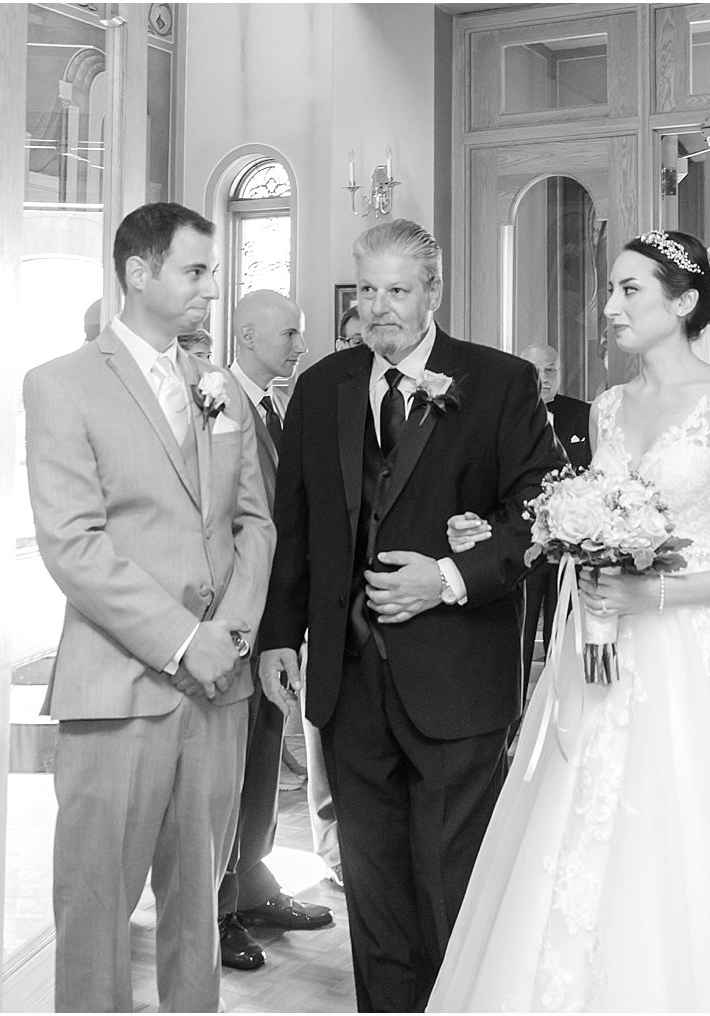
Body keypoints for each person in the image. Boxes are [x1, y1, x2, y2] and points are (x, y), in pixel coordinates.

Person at [429, 230, 710, 1011]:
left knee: (692, 842)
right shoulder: (611, 410)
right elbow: (583, 520)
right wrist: (527, 536)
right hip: (602, 654)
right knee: (586, 842)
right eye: (610, 289)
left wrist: (657, 596)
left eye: (630, 292)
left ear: (683, 305)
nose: (609, 307)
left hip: (702, 657)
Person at [257, 219, 564, 1012]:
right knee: (372, 879)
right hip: (346, 678)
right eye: (368, 290)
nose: (380, 308)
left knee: (453, 873)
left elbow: (541, 513)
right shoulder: (322, 387)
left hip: (457, 672)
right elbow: (300, 527)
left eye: (398, 290)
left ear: (433, 292)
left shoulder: (498, 382)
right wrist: (280, 635)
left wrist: (453, 576)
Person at [22, 202, 274, 1012]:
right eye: (195, 270)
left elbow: (255, 524)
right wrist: (180, 640)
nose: (211, 287)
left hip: (218, 689)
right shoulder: (61, 385)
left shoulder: (219, 391)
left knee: (200, 907)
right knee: (95, 910)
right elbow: (73, 543)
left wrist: (229, 636)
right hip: (119, 687)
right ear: (139, 273)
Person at [216, 289, 330, 972]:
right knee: (230, 766)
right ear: (249, 335)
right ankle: (217, 906)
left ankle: (253, 882)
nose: (299, 346)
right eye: (289, 333)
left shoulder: (277, 406)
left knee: (261, 755)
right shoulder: (217, 402)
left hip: (276, 611)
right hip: (236, 609)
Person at [517, 342, 592, 665]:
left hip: (571, 543)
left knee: (564, 629)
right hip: (522, 540)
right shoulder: (507, 414)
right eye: (536, 370)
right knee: (519, 630)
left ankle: (561, 707)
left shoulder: (585, 414)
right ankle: (515, 712)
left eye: (551, 370)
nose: (544, 378)